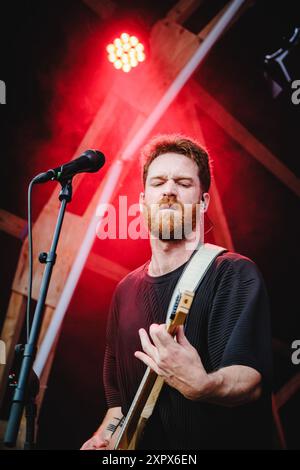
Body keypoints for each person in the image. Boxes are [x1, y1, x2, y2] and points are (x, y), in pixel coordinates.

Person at [81, 134, 273, 450]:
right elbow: (119, 405)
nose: (169, 190)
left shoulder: (233, 273)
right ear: (143, 202)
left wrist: (203, 385)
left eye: (183, 183)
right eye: (158, 182)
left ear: (203, 202)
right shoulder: (125, 291)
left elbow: (250, 381)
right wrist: (104, 439)